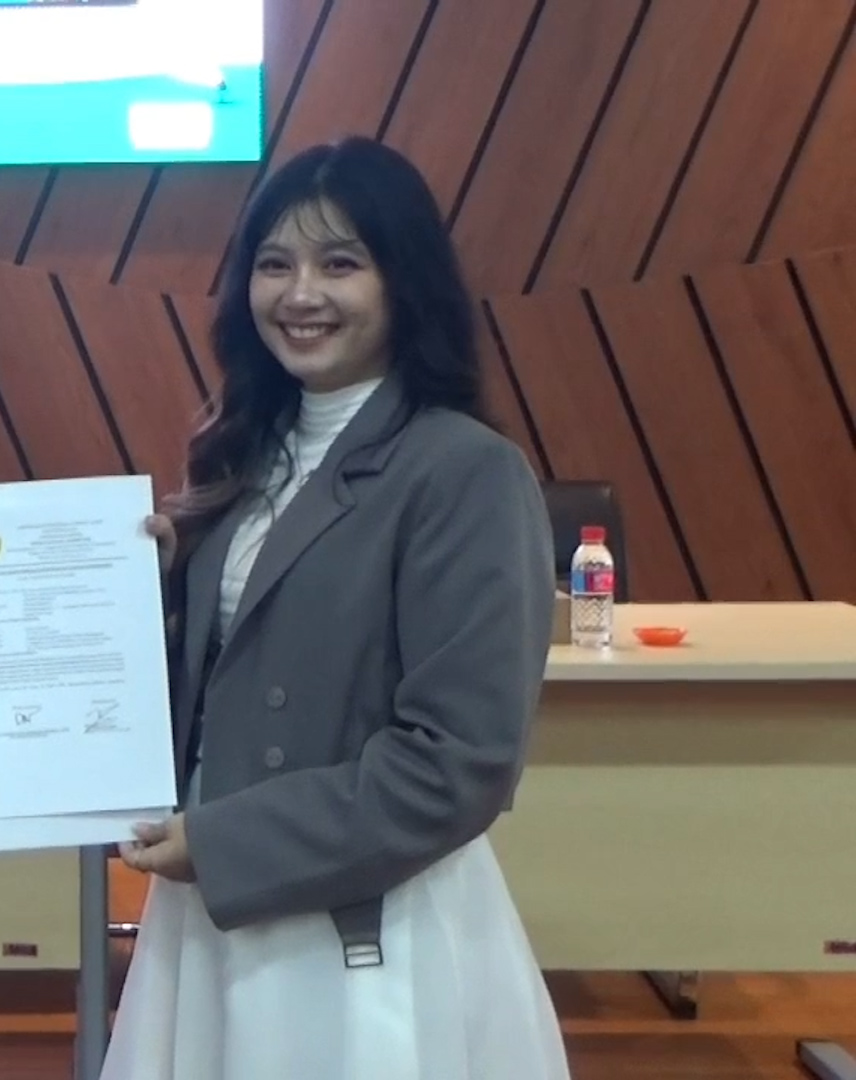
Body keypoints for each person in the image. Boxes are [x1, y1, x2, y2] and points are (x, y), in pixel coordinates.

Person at [105, 136, 572, 1079]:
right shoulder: (241, 456)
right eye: (274, 264)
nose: (301, 293)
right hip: (217, 907)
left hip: (359, 924)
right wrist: (148, 600)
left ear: (404, 283)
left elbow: (460, 763)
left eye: (340, 263)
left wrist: (225, 843)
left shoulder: (466, 472)